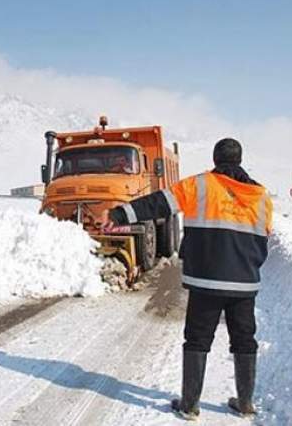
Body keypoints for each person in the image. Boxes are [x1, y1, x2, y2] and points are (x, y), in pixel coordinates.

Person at [101, 138, 272, 421]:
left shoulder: (200, 185)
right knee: (244, 340)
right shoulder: (262, 196)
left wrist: (120, 213)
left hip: (206, 281)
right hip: (244, 284)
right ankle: (245, 404)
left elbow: (158, 204)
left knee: (197, 340)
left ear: (215, 159)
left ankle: (190, 406)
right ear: (240, 160)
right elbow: (263, 237)